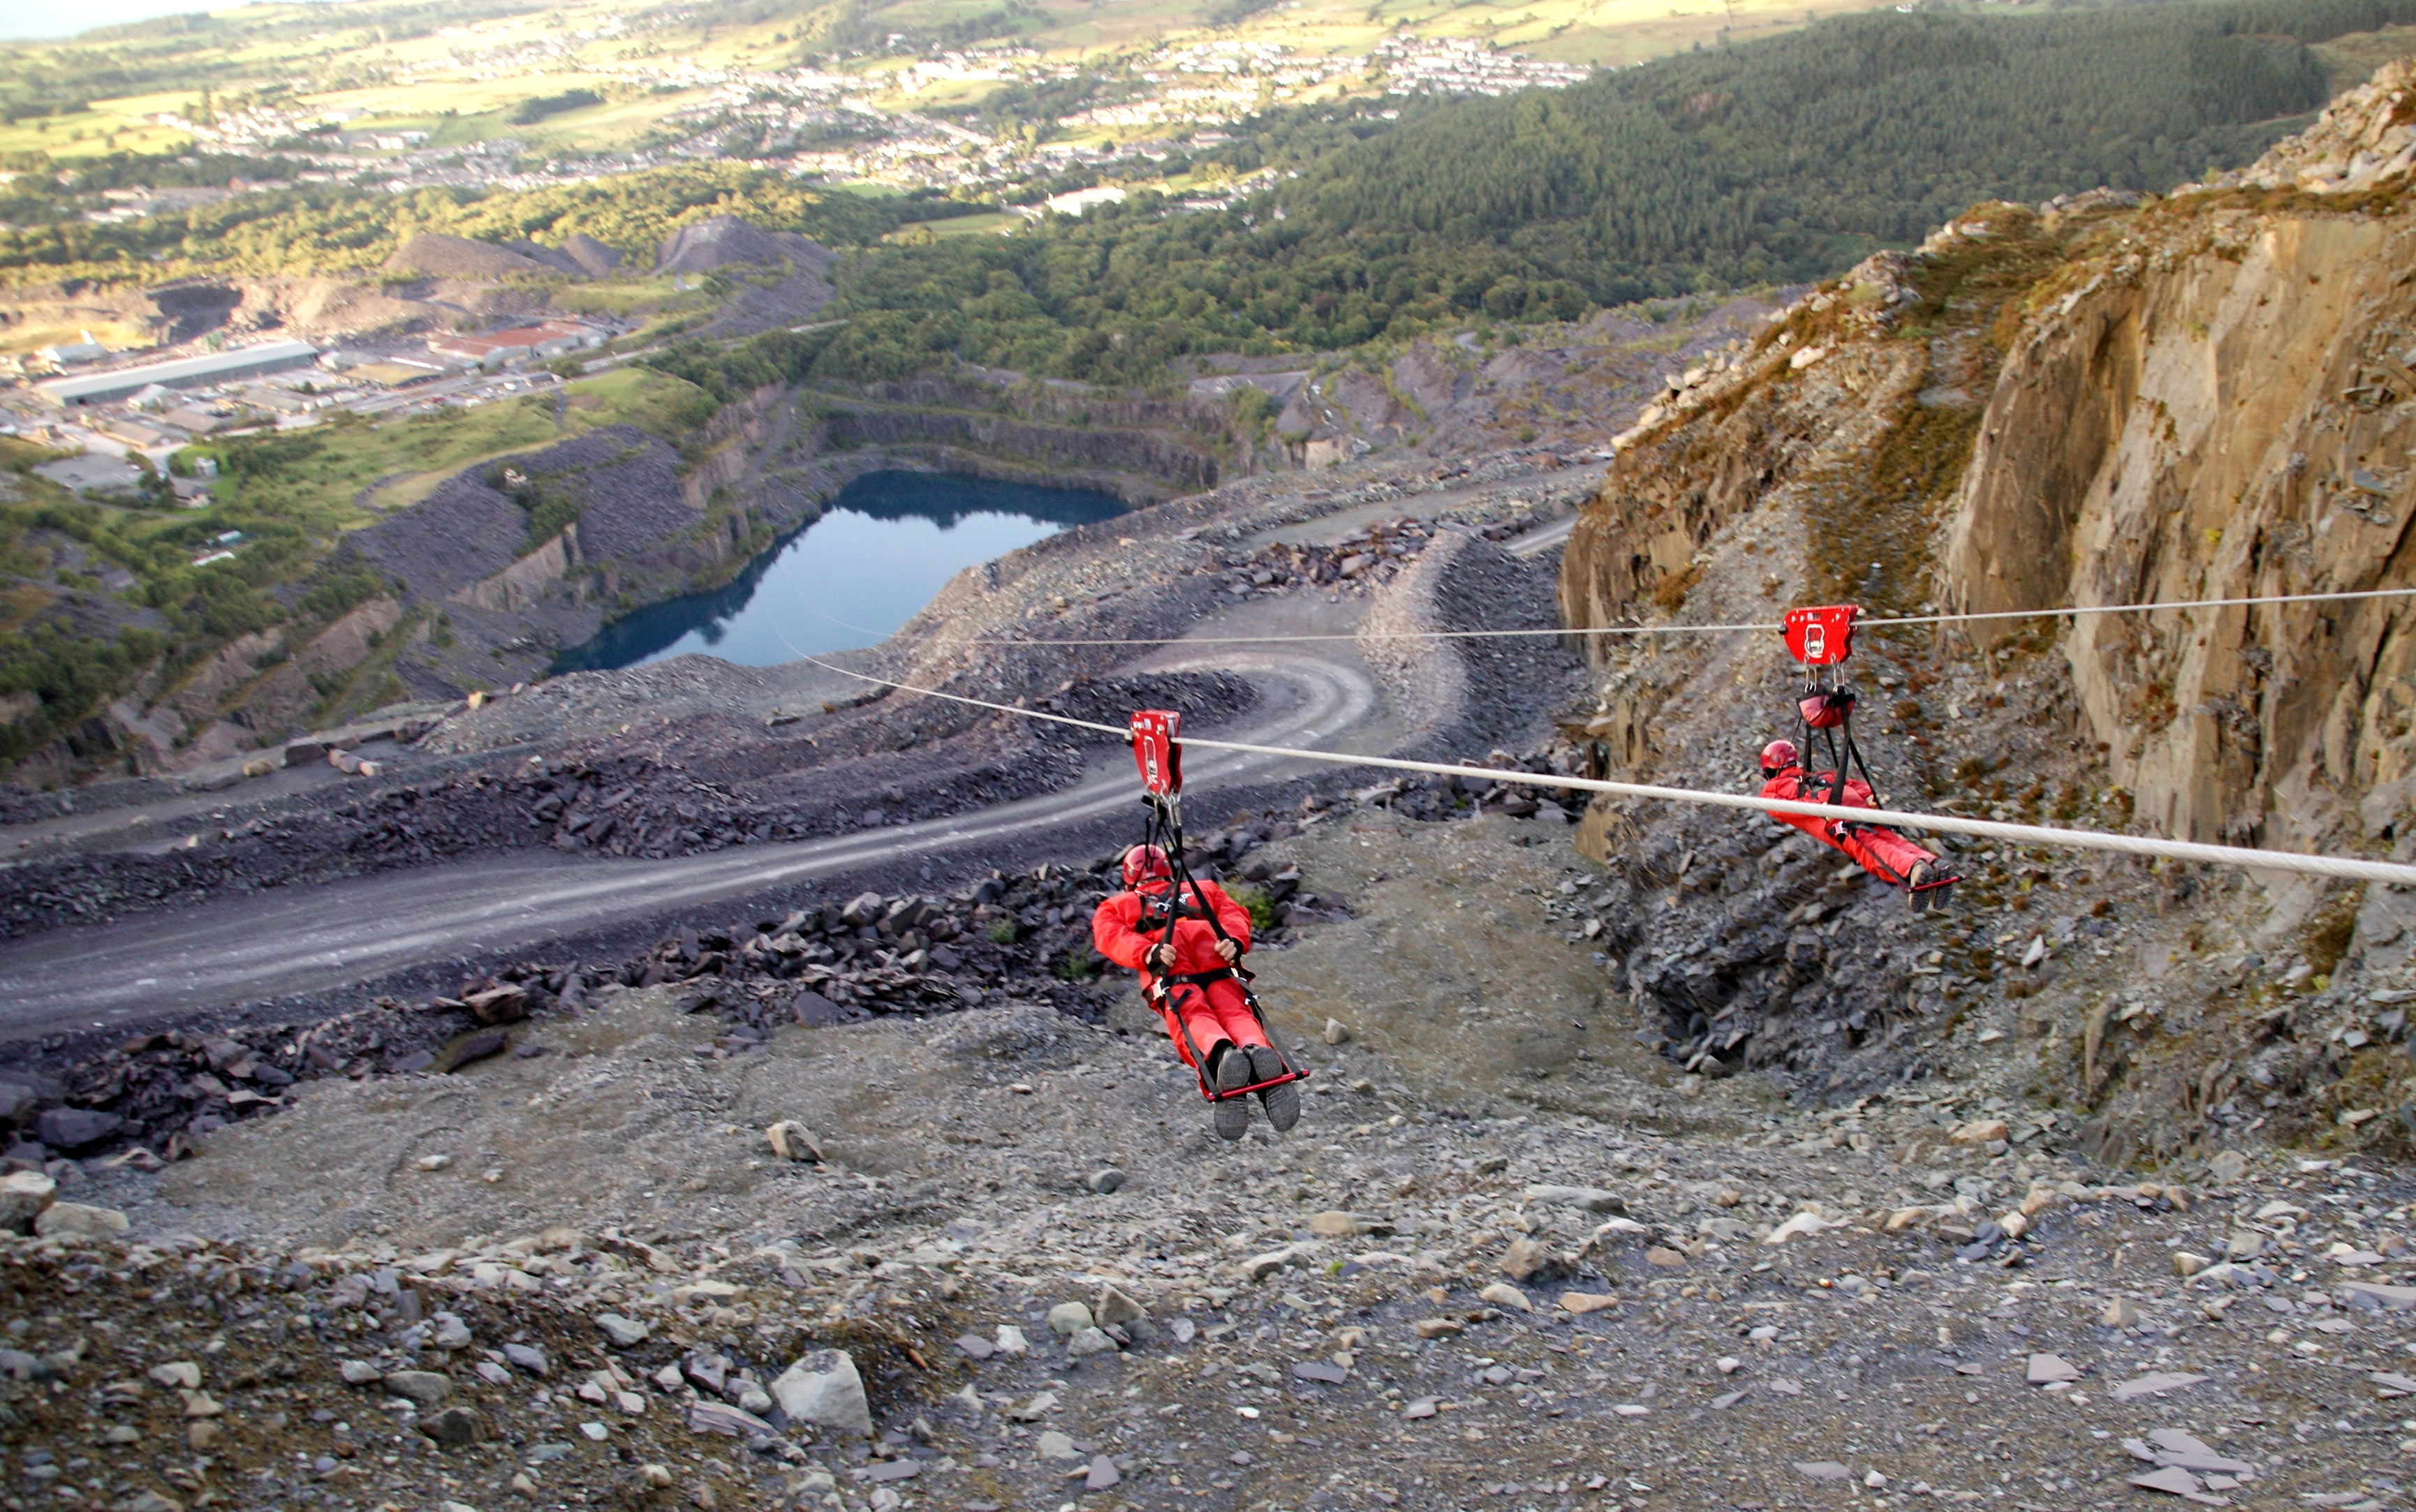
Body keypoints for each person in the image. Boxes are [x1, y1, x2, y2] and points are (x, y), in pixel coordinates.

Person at [1091, 843, 1299, 1141]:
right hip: (1218, 963)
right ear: (1168, 869)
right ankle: (1258, 1051)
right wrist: (1234, 941)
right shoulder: (1203, 889)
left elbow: (1110, 935)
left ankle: (1221, 1056)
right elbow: (1233, 913)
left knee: (1193, 1018)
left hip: (1174, 970)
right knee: (1237, 1013)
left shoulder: (1119, 905)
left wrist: (1147, 952)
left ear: (1130, 876)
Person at [1758, 739, 1940, 890]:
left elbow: (1780, 807)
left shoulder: (1772, 789)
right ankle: (1932, 863)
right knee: (1890, 838)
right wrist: (1868, 797)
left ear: (1770, 769)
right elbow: (1853, 784)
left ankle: (1913, 868)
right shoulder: (1822, 776)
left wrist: (1819, 807)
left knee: (1872, 851)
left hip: (1839, 821)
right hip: (1861, 809)